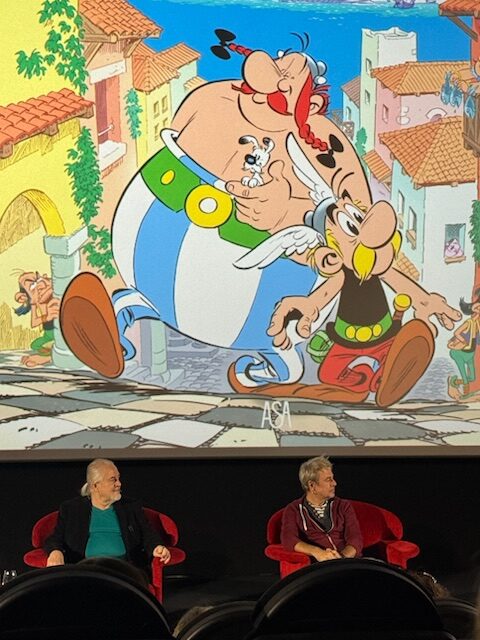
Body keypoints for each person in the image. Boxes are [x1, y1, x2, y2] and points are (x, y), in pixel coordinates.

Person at [44, 458, 171, 570]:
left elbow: (148, 534)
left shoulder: (130, 507)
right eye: (113, 480)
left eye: (118, 478)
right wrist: (55, 551)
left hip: (125, 569)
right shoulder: (72, 509)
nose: (119, 483)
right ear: (95, 486)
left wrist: (157, 547)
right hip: (84, 569)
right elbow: (55, 538)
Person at [281, 456, 362, 562]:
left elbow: (355, 538)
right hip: (318, 565)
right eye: (328, 480)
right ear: (312, 485)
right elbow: (289, 539)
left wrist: (342, 558)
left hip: (347, 561)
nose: (334, 483)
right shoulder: (293, 510)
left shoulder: (343, 506)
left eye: (333, 478)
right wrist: (318, 552)